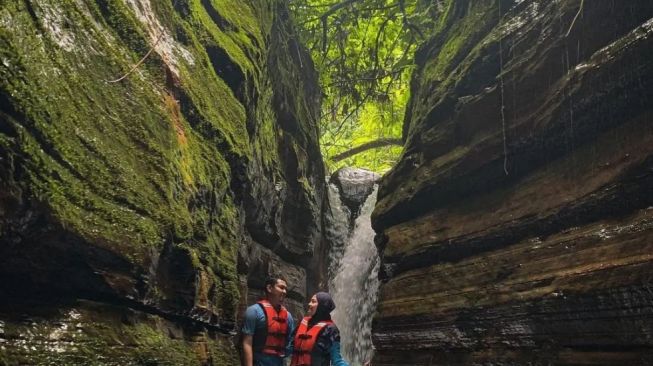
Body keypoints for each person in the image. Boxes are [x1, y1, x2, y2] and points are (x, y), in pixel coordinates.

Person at [242, 276, 295, 366]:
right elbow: (247, 343)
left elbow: (291, 343)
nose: (284, 291)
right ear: (269, 288)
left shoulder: (288, 317)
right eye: (281, 287)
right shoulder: (253, 311)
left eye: (286, 289)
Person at [291, 292, 349, 366]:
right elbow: (288, 348)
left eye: (313, 301)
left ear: (322, 306)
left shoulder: (331, 329)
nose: (309, 304)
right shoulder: (303, 323)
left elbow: (337, 361)